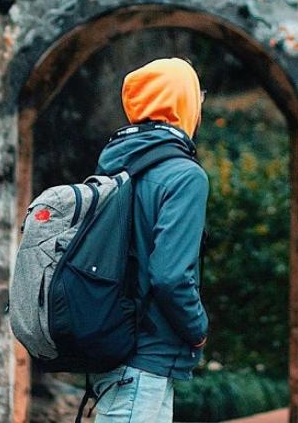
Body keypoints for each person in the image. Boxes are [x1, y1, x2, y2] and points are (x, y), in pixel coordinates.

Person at [90, 57, 209, 422]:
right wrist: (198, 329)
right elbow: (170, 276)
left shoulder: (115, 166)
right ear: (182, 104)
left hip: (114, 348)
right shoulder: (185, 176)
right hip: (147, 358)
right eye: (197, 96)